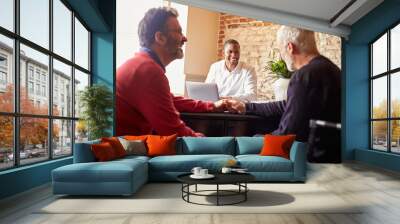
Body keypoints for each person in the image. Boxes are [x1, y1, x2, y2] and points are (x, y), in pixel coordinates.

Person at [226, 26, 341, 163]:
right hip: (332, 154)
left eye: (280, 50)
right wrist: (247, 107)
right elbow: (288, 105)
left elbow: (288, 133)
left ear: (290, 47)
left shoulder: (304, 76)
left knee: (249, 141)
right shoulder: (332, 70)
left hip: (312, 159)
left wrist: (254, 140)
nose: (281, 55)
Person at [116, 7, 226, 137]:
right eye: (179, 32)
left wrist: (211, 106)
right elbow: (174, 132)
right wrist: (200, 139)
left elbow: (170, 100)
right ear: (160, 37)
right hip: (125, 153)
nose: (185, 38)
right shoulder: (149, 72)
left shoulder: (142, 65)